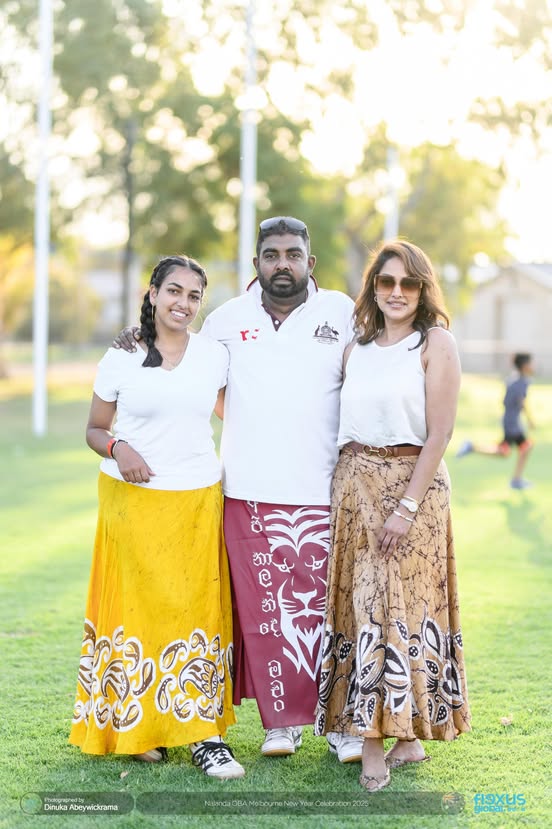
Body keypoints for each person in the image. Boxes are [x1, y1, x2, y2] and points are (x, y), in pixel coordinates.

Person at [114, 218, 364, 764]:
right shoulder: (227, 320)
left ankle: (340, 725)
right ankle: (282, 724)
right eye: (271, 254)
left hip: (324, 485)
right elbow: (190, 370)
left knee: (326, 611)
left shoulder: (340, 312)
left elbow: (368, 372)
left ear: (309, 262)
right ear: (256, 263)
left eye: (293, 254)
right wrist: (134, 338)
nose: (282, 264)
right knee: (267, 613)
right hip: (247, 488)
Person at [69, 255, 244, 780]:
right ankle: (136, 725)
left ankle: (204, 736)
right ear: (152, 293)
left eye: (194, 296)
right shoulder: (122, 354)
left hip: (195, 496)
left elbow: (236, 413)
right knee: (135, 612)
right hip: (132, 500)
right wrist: (119, 447)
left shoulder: (215, 356)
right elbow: (95, 428)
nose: (182, 304)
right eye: (173, 291)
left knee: (195, 612)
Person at [314, 240, 471, 792]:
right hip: (354, 490)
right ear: (373, 288)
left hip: (414, 491)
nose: (397, 293)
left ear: (423, 290)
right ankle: (405, 738)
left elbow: (440, 434)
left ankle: (375, 743)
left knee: (392, 609)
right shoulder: (356, 348)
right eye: (387, 283)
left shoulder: (435, 343)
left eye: (408, 284)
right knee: (366, 611)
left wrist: (405, 506)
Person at [456, 352, 535, 489]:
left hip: (509, 422)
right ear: (525, 366)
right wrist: (530, 420)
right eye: (531, 363)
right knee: (516, 449)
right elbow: (521, 402)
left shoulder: (512, 380)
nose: (533, 366)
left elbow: (505, 402)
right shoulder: (522, 382)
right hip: (512, 425)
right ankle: (516, 480)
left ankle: (472, 447)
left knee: (512, 450)